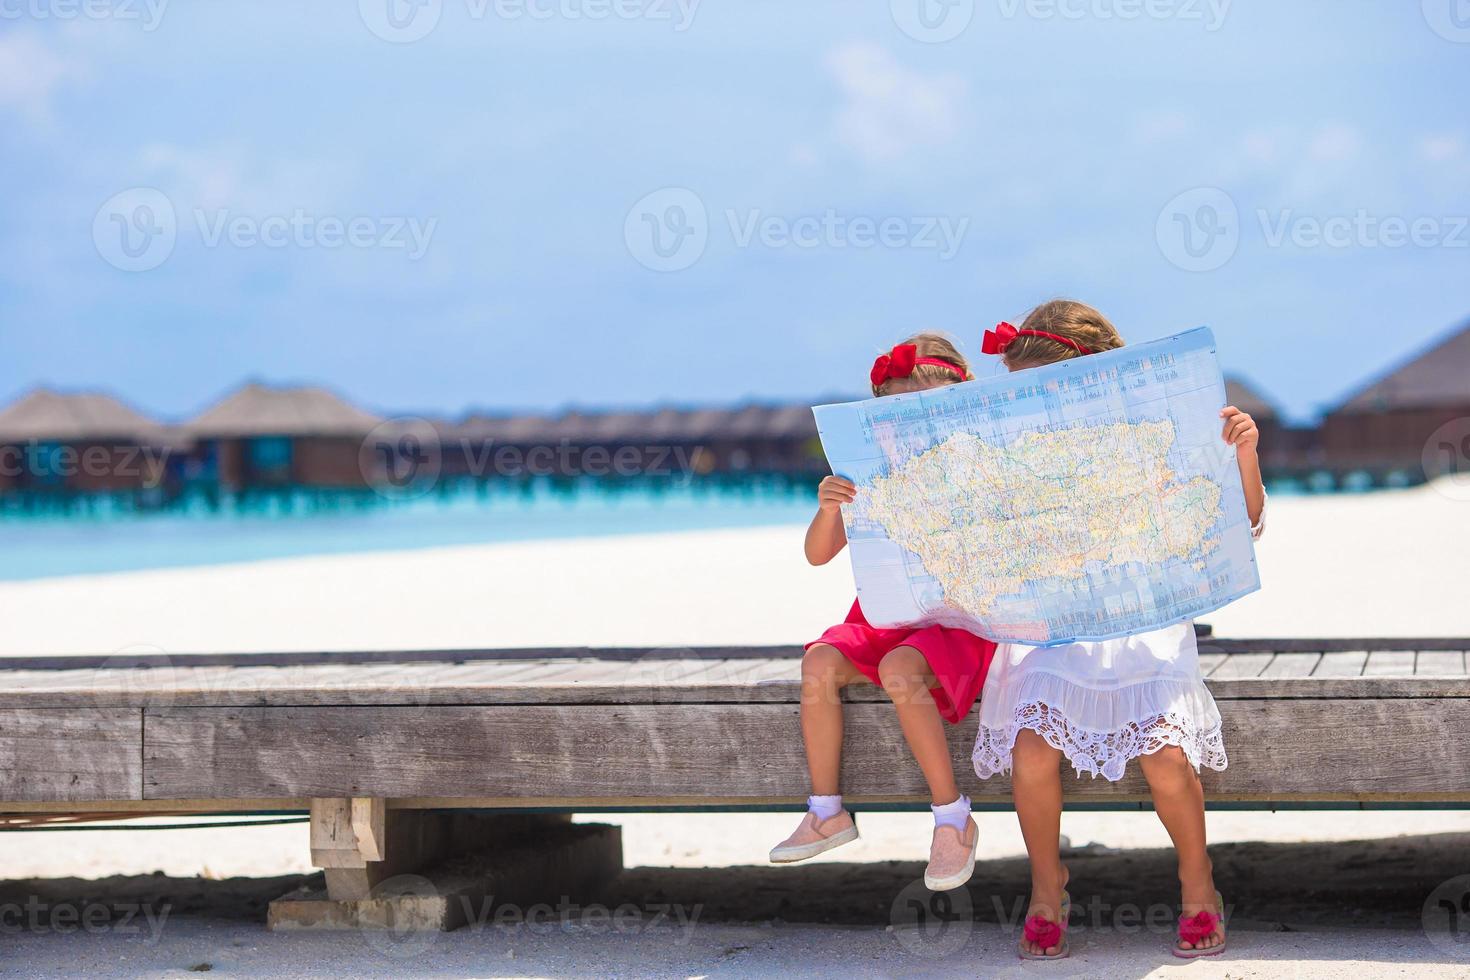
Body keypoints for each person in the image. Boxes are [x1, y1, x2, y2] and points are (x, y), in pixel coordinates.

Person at [970, 300, 1266, 959]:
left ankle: (1198, 882)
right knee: (1031, 749)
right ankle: (1048, 887)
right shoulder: (1026, 450)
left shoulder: (1155, 428)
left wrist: (1244, 453)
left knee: (1164, 755)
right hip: (1059, 625)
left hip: (1145, 620)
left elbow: (1240, 523)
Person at [770, 333, 997, 892]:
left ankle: (952, 817)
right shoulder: (871, 473)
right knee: (820, 660)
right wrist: (829, 509)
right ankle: (827, 811)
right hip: (889, 612)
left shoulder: (982, 463)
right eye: (896, 410)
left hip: (961, 623)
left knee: (900, 667)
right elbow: (817, 555)